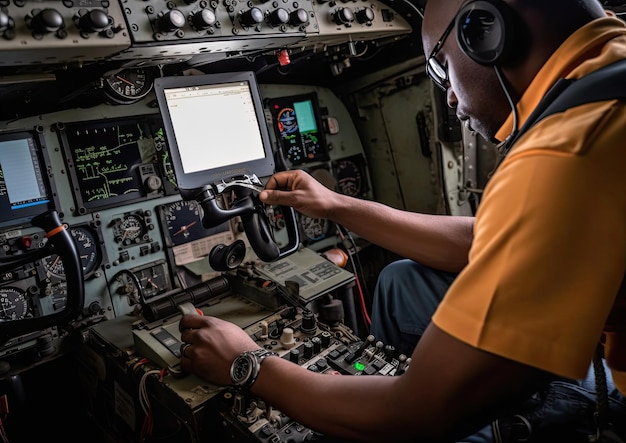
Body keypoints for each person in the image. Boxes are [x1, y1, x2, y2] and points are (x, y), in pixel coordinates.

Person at [179, 0, 626, 441]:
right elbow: (487, 240)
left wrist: (250, 365)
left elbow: (417, 413)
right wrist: (335, 204)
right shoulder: (608, 68)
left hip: (609, 395)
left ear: (485, 32)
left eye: (441, 67)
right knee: (400, 280)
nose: (449, 94)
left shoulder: (566, 154)